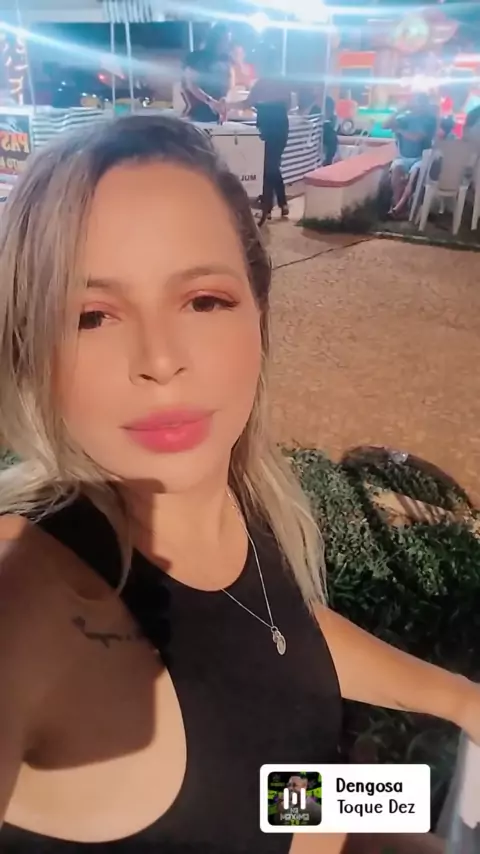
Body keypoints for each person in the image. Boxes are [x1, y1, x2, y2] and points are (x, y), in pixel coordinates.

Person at [0, 114, 480, 854]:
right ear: (30, 348)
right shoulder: (31, 600)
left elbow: (279, 650)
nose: (160, 359)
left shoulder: (236, 495)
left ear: (260, 312)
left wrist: (460, 702)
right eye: (91, 315)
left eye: (204, 300)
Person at [227, 45, 291, 226]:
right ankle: (281, 203)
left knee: (268, 166)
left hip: (266, 125)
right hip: (280, 124)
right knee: (273, 164)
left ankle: (269, 206)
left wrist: (227, 105)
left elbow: (246, 103)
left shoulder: (262, 84)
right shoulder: (282, 83)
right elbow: (289, 105)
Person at [385, 92, 437, 211]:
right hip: (403, 157)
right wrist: (399, 110)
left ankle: (399, 207)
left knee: (414, 175)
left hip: (421, 158)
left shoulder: (430, 120)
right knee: (396, 171)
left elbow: (417, 137)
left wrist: (399, 130)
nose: (418, 105)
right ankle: (398, 206)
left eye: (421, 102)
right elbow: (385, 125)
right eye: (417, 102)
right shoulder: (406, 119)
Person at [181, 23, 233, 123]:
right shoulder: (196, 57)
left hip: (218, 114)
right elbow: (190, 84)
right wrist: (210, 101)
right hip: (197, 113)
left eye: (228, 40)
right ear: (215, 40)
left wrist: (224, 99)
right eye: (224, 40)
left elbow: (228, 79)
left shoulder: (226, 59)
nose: (227, 44)